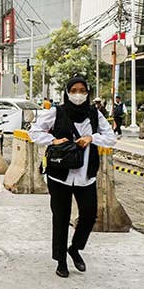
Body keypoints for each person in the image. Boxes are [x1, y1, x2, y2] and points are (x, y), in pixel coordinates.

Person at [29, 76, 116, 278]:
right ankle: (60, 260)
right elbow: (34, 132)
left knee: (88, 214)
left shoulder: (95, 114)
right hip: (60, 174)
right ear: (67, 92)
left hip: (86, 175)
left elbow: (111, 138)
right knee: (61, 217)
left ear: (88, 93)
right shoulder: (56, 112)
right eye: (74, 90)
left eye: (82, 90)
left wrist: (92, 138)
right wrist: (53, 140)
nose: (78, 94)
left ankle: (75, 248)